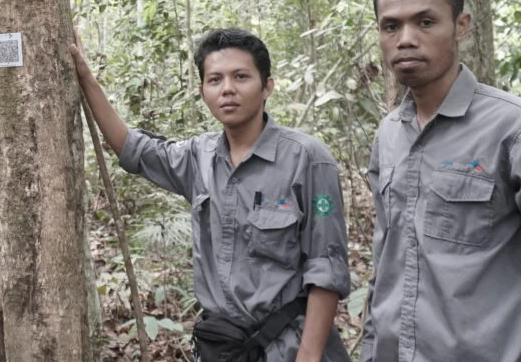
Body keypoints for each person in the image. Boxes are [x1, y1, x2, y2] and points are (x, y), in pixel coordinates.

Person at [70, 28, 351, 362]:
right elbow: (134, 150)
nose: (227, 89)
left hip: (288, 347)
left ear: (267, 86)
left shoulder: (307, 158)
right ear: (203, 91)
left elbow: (326, 267)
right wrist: (86, 78)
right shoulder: (199, 157)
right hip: (221, 347)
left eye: (241, 77)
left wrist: (308, 356)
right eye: (215, 80)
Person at [360, 0, 521, 362]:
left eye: (425, 22)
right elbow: (385, 268)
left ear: (461, 25)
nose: (406, 39)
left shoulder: (520, 128)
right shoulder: (388, 134)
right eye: (391, 26)